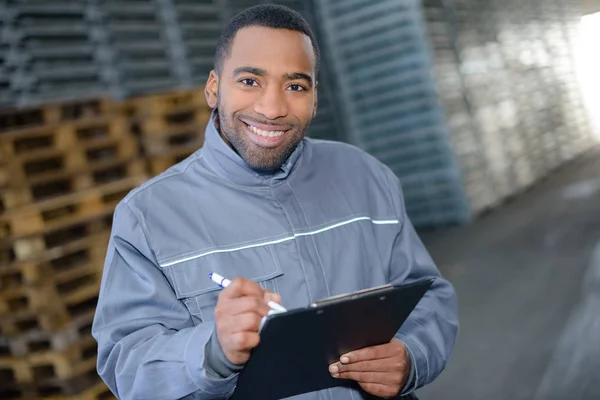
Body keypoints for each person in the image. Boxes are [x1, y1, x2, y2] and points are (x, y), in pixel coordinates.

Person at [92, 4, 458, 400]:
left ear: (315, 97)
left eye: (296, 86)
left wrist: (412, 356)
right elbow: (127, 364)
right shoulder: (148, 217)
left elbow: (427, 296)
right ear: (214, 88)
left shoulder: (367, 177)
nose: (272, 109)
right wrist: (212, 351)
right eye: (250, 81)